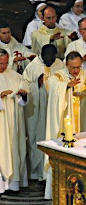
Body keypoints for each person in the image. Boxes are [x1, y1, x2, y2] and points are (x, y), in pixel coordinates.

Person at [44, 51, 86, 199]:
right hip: (66, 124)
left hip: (84, 124)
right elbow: (52, 86)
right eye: (72, 67)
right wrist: (66, 86)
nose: (75, 71)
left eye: (78, 67)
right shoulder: (58, 76)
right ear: (66, 65)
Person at [23, 44, 64, 181]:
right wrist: (37, 84)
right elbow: (24, 86)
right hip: (37, 110)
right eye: (47, 58)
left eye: (52, 58)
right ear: (41, 54)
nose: (50, 61)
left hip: (53, 109)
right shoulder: (33, 66)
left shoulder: (59, 64)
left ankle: (51, 172)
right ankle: (37, 172)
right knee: (37, 136)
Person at [0, 49, 29, 194]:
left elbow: (23, 92)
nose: (3, 67)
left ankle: (13, 184)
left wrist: (22, 94)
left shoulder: (14, 75)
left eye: (5, 63)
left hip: (13, 120)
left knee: (14, 148)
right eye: (0, 63)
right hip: (1, 121)